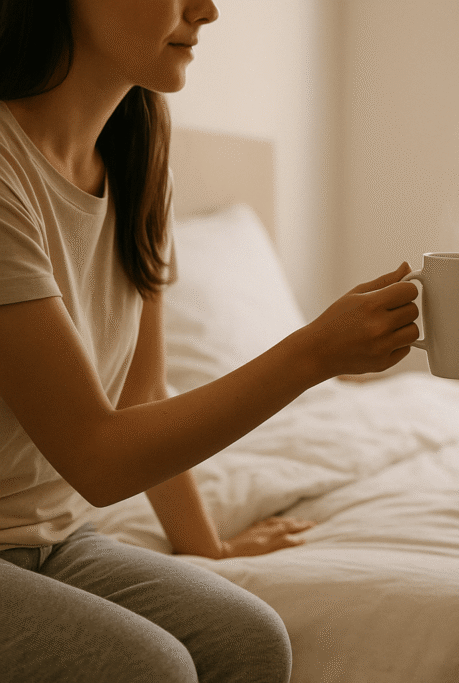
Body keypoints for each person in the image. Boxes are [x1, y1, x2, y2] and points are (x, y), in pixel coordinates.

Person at [0, 1, 419, 681]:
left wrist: (207, 547)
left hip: (50, 540)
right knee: (152, 668)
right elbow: (96, 456)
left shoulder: (136, 157)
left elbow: (143, 393)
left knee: (251, 639)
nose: (208, 9)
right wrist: (312, 353)